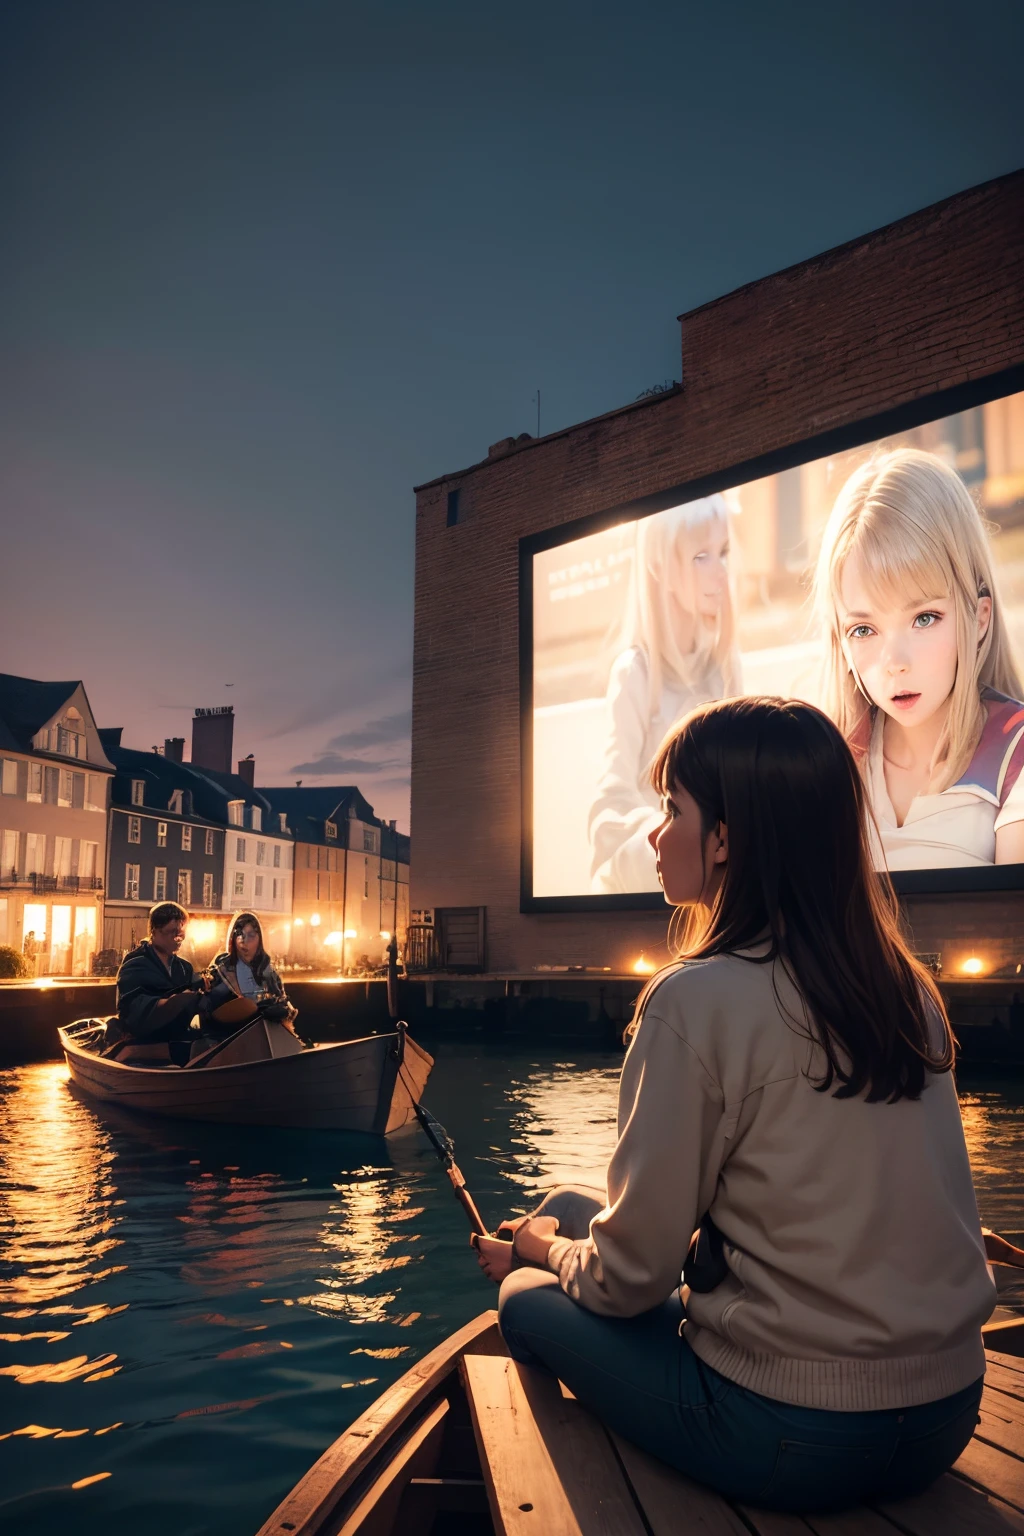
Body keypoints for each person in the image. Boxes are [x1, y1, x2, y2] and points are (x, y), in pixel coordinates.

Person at [477, 697, 994, 1513]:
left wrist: (542, 1256)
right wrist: (566, 1233)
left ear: (726, 838)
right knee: (574, 1203)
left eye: (672, 809)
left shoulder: (695, 1000)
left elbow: (631, 1282)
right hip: (946, 1411)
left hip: (789, 1430)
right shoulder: (905, 992)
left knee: (523, 1300)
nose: (655, 834)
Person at [814, 447, 1024, 869]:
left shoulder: (1015, 755)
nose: (895, 661)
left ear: (978, 617)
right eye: (864, 630)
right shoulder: (826, 765)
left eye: (924, 618)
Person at [589, 497, 740, 893]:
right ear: (661, 567)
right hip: (653, 867)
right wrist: (676, 832)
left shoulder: (725, 666)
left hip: (715, 871)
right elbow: (608, 813)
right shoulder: (634, 673)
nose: (720, 572)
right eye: (701, 556)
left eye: (723, 552)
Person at [111, 901, 212, 1062]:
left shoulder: (184, 968)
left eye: (181, 933)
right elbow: (134, 1011)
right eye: (172, 932)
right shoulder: (135, 963)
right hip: (143, 1039)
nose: (178, 938)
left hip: (176, 1037)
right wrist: (178, 1000)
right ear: (154, 931)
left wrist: (204, 993)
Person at [208, 911, 300, 1036]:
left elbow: (285, 1005)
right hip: (233, 1040)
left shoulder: (270, 973)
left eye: (251, 935)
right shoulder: (220, 972)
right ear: (232, 939)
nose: (243, 940)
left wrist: (282, 1010)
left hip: (267, 1038)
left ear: (259, 939)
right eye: (239, 934)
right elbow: (211, 1014)